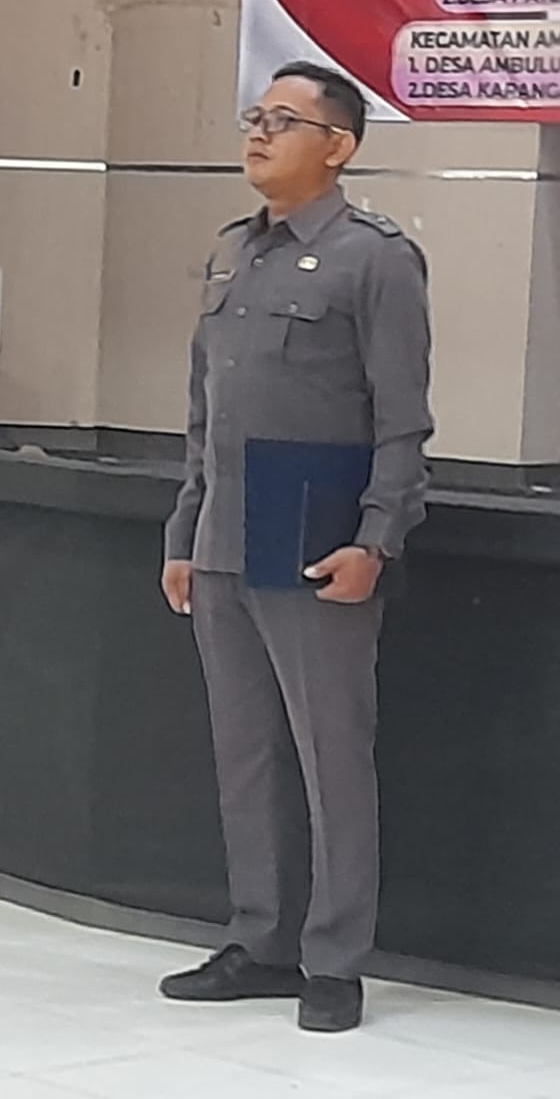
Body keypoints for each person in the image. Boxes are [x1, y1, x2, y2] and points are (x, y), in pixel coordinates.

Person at [157, 61, 433, 1033]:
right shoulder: (234, 251)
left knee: (329, 757)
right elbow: (206, 414)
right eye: (255, 116)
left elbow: (402, 420)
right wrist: (185, 530)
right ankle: (262, 940)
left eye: (283, 120)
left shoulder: (374, 259)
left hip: (313, 521)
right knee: (247, 753)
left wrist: (377, 538)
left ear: (338, 146)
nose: (258, 133)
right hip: (228, 526)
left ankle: (335, 960)